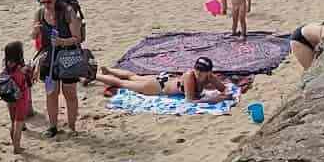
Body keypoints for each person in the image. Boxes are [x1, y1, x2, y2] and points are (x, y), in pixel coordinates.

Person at [32, 0, 84, 137]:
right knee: (51, 93)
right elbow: (33, 37)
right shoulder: (40, 13)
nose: (45, 4)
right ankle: (53, 127)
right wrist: (34, 32)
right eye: (42, 1)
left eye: (48, 1)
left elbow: (78, 38)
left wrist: (62, 41)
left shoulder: (67, 12)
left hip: (68, 56)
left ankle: (72, 127)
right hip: (49, 57)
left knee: (70, 94)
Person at [96, 57, 232, 102]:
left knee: (134, 77)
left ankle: (108, 70)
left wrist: (225, 93)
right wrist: (215, 99)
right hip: (158, 87)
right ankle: (94, 76)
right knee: (123, 83)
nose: (202, 75)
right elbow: (190, 101)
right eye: (200, 72)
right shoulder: (190, 76)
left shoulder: (209, 75)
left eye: (205, 73)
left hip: (164, 79)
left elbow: (223, 89)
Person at [1, 40, 34, 154]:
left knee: (12, 122)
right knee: (19, 124)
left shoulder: (6, 66)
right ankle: (17, 147)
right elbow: (29, 79)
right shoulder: (21, 69)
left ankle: (14, 144)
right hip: (21, 98)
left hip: (10, 97)